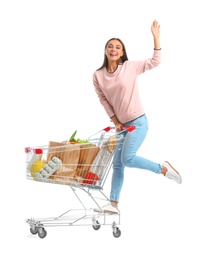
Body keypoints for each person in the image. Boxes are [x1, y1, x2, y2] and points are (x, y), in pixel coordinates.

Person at [92, 20, 182, 214]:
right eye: (110, 46)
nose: (114, 49)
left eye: (118, 47)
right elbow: (103, 100)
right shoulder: (98, 75)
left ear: (122, 52)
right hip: (122, 126)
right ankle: (113, 204)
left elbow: (155, 62)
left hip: (138, 122)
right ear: (105, 51)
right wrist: (115, 121)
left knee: (127, 159)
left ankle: (163, 169)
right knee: (117, 164)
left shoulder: (130, 67)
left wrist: (156, 38)